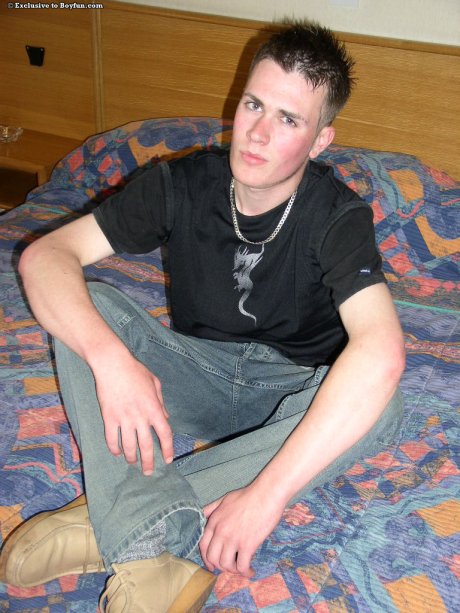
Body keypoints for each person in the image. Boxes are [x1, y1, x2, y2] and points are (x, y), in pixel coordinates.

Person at [0, 21, 405, 612]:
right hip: (197, 374)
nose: (258, 134)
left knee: (380, 406)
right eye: (253, 105)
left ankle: (117, 527)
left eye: (288, 120)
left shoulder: (338, 216)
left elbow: (381, 351)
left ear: (320, 141)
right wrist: (112, 362)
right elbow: (45, 258)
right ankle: (144, 534)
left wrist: (265, 495)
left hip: (291, 394)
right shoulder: (182, 183)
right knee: (93, 311)